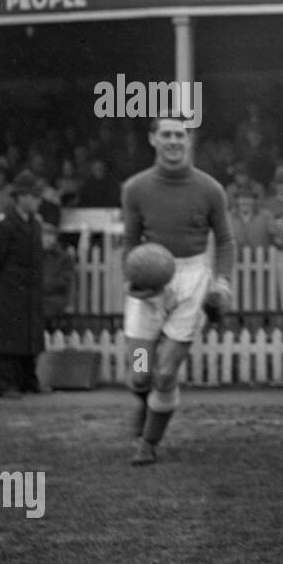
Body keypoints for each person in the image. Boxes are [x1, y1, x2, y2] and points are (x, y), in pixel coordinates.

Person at [122, 118, 235, 464]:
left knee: (167, 372)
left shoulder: (210, 189)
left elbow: (226, 242)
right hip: (149, 281)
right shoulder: (135, 188)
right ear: (153, 139)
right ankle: (144, 401)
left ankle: (149, 443)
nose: (173, 141)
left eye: (180, 135)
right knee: (141, 373)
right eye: (166, 134)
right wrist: (139, 282)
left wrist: (222, 282)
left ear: (189, 141)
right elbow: (129, 242)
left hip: (191, 280)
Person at [0, 170, 46, 398]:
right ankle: (7, 384)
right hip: (9, 288)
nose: (38, 200)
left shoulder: (35, 224)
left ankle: (29, 381)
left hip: (31, 290)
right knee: (8, 336)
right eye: (34, 196)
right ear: (21, 197)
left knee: (30, 334)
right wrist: (3, 283)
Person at [40, 222, 77, 333]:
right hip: (38, 299)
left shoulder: (64, 258)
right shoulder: (34, 256)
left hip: (56, 300)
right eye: (45, 235)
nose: (47, 239)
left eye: (51, 235)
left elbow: (66, 281)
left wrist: (45, 285)